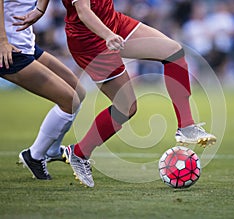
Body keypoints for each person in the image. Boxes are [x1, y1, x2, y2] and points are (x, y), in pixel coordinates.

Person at [15, 0, 217, 188]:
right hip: (90, 40)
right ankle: (79, 153)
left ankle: (187, 126)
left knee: (173, 52)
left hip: (111, 21)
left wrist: (40, 8)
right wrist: (108, 36)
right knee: (127, 107)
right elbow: (84, 11)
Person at [1, 0, 85, 180]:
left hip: (27, 46)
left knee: (78, 90)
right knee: (69, 100)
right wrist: (2, 41)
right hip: (9, 51)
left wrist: (40, 9)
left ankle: (52, 150)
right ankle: (34, 156)